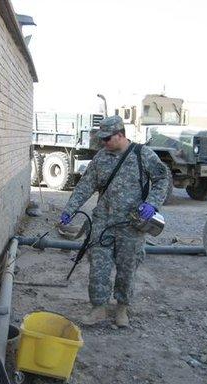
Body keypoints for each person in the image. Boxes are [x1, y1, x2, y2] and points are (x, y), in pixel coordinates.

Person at [59, 115, 170, 327]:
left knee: (127, 268)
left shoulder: (143, 155)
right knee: (98, 266)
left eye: (107, 138)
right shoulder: (101, 158)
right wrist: (70, 210)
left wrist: (152, 204)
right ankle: (98, 308)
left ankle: (122, 309)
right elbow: (85, 186)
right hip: (103, 223)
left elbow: (162, 180)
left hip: (131, 225)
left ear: (120, 135)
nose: (104, 142)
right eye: (102, 139)